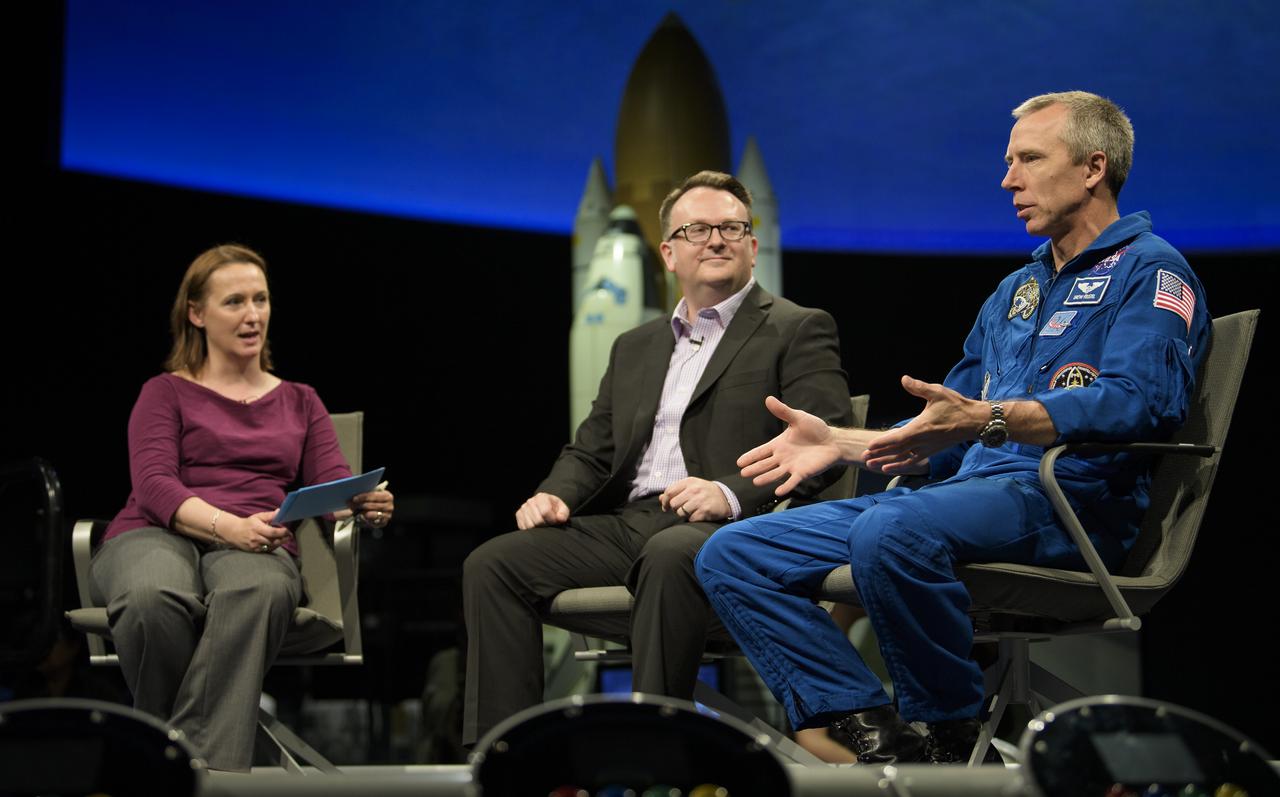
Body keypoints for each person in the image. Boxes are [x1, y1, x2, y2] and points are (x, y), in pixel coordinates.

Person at [695, 91, 1211, 764]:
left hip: (1069, 503)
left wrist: (990, 419)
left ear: (1093, 166)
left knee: (891, 529)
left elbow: (1140, 402)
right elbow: (945, 426)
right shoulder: (1013, 293)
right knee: (732, 554)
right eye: (1008, 161)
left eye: (1029, 159)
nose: (1008, 180)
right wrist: (843, 442)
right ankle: (873, 730)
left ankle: (953, 730)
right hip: (965, 498)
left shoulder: (1152, 269)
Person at [462, 171, 852, 746]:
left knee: (671, 555)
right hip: (633, 525)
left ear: (752, 243)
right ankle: (506, 756)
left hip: (736, 528)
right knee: (494, 564)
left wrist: (726, 493)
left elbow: (827, 443)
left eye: (731, 227)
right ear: (669, 252)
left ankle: (657, 755)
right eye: (697, 230)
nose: (715, 239)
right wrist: (555, 494)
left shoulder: (797, 328)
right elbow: (592, 449)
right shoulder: (636, 346)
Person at [90, 244, 394, 771]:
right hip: (156, 529)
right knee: (150, 595)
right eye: (234, 302)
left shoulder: (300, 399)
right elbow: (154, 485)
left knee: (256, 587)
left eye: (261, 299)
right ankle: (195, 764)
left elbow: (333, 485)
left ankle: (174, 767)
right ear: (197, 313)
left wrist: (361, 503)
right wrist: (224, 526)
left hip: (259, 537)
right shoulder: (164, 393)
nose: (252, 315)